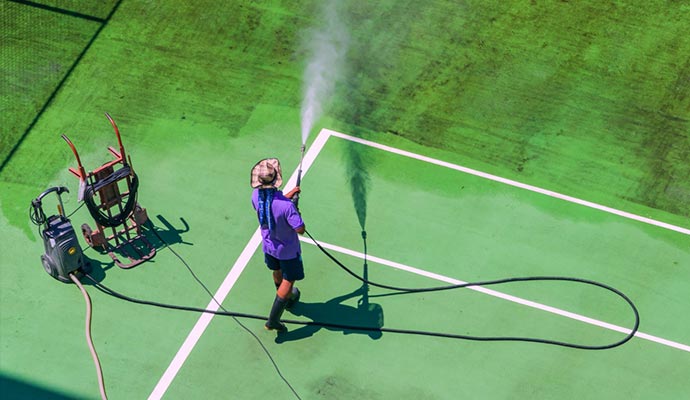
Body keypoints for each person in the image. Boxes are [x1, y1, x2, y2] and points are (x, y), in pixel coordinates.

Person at [250, 158, 305, 331]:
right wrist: (294, 210)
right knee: (289, 280)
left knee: (277, 271)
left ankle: (286, 298)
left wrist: (288, 196)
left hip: (269, 246)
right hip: (287, 250)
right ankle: (273, 319)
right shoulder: (287, 207)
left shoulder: (256, 196)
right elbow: (300, 229)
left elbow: (271, 206)